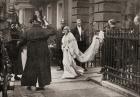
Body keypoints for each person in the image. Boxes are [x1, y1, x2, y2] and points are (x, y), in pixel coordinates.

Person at [21, 15, 56, 90]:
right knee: (42, 67)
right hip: (42, 52)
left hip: (32, 52)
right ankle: (41, 85)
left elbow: (22, 41)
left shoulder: (28, 31)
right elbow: (53, 31)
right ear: (40, 23)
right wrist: (46, 22)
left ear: (33, 22)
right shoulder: (44, 30)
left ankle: (29, 84)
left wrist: (18, 47)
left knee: (30, 67)